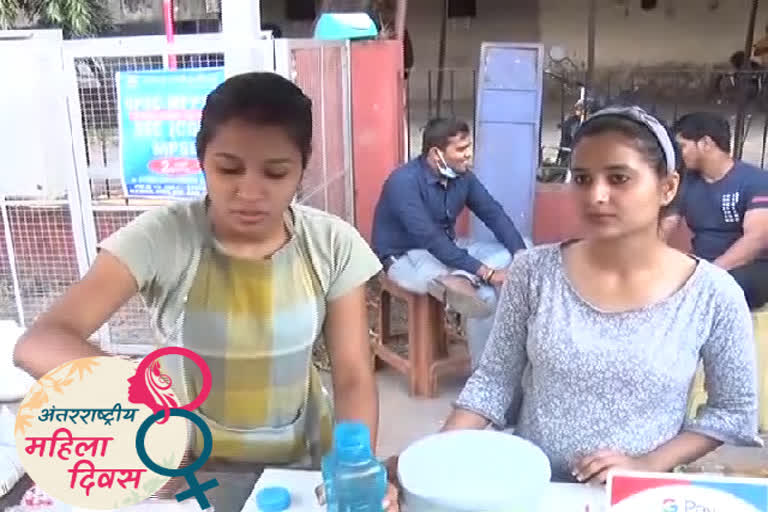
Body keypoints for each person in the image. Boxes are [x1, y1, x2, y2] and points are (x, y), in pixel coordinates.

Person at [14, 72, 397, 506]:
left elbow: (351, 375)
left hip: (299, 467)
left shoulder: (331, 244)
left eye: (275, 173)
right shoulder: (163, 236)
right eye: (228, 168)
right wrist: (137, 401)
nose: (249, 192)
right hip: (186, 470)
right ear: (201, 158)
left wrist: (355, 467)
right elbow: (39, 343)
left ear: (302, 167)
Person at [390, 106, 760, 484]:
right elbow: (495, 381)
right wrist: (426, 465)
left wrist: (648, 464)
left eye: (619, 178)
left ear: (667, 187)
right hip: (534, 488)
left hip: (641, 496)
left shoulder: (712, 294)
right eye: (582, 179)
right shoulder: (534, 273)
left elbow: (732, 411)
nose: (596, 195)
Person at [371, 118, 527, 365]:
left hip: (448, 248)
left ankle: (461, 280)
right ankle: (483, 375)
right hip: (405, 255)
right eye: (461, 149)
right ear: (436, 153)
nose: (469, 155)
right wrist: (486, 272)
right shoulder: (403, 182)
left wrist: (520, 253)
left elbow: (492, 213)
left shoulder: (463, 177)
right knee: (484, 295)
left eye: (469, 147)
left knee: (521, 249)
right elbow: (430, 239)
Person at [663, 112, 768, 310]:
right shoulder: (686, 183)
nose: (679, 154)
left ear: (705, 143)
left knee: (721, 289)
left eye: (683, 146)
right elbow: (666, 224)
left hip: (751, 269)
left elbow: (756, 240)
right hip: (703, 266)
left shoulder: (757, 181)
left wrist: (710, 273)